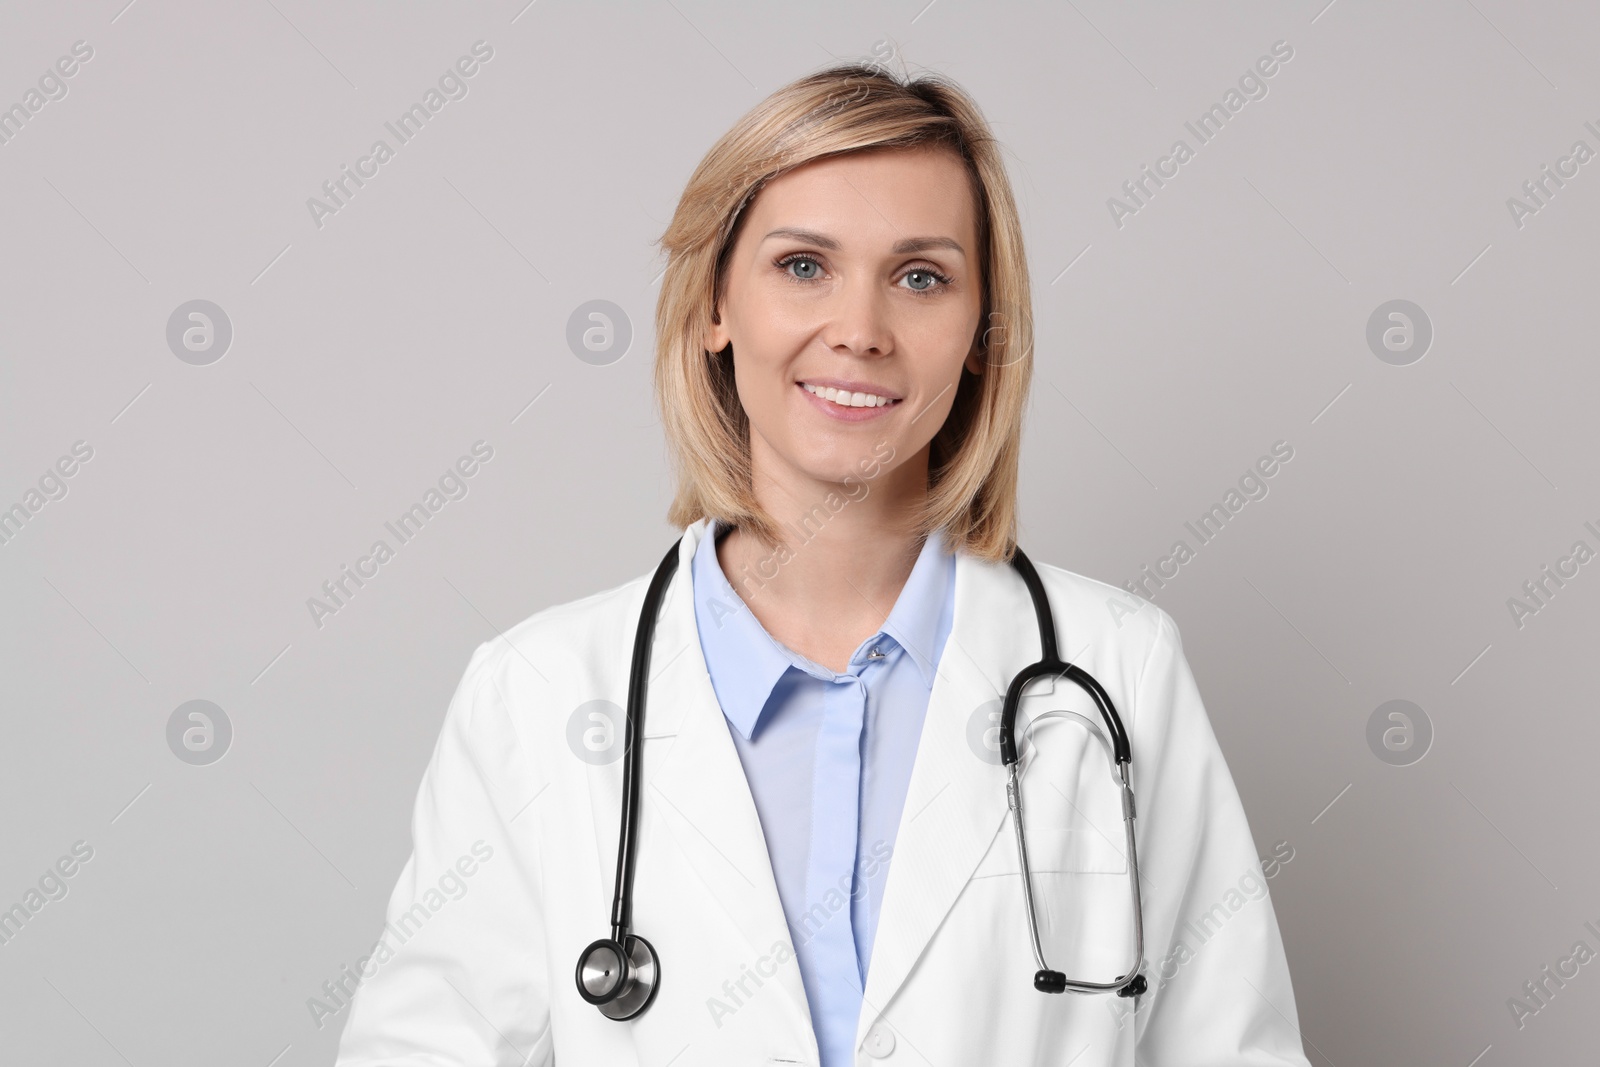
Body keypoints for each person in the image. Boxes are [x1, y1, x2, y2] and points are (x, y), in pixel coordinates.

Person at [333, 62, 1314, 1067]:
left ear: (982, 333)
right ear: (716, 305)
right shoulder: (537, 695)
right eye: (803, 264)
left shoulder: (1118, 670)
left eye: (920, 276)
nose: (859, 330)